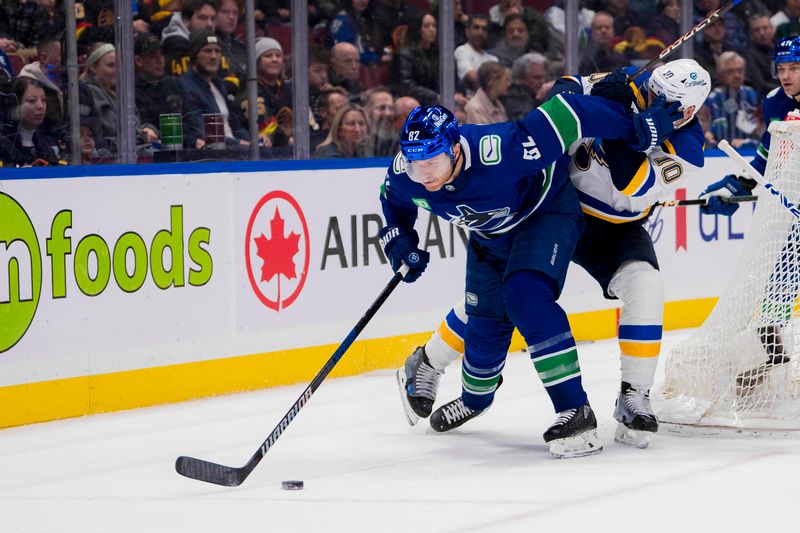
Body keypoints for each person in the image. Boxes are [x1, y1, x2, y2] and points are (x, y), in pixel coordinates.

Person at [393, 59, 709, 451]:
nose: (651, 99)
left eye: (665, 101)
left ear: (689, 111)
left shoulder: (691, 151)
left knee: (645, 283)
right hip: (548, 201)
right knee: (504, 297)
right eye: (651, 91)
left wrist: (630, 123)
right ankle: (430, 361)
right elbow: (561, 93)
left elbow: (629, 179)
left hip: (607, 226)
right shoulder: (633, 84)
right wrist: (611, 95)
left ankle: (635, 395)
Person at [700, 37, 800, 379]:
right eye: (782, 69)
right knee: (779, 272)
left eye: (795, 68)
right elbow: (768, 154)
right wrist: (742, 182)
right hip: (791, 203)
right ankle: (774, 350)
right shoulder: (774, 102)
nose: (786, 76)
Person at [705, 51, 763, 149]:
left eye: (740, 70)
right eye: (730, 71)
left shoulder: (752, 94)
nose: (736, 75)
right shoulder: (713, 98)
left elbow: (760, 128)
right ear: (720, 74)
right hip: (720, 154)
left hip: (751, 150)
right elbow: (711, 132)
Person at [0, 77, 61, 166]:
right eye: (31, 100)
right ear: (15, 105)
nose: (40, 106)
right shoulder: (3, 146)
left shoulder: (46, 148)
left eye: (43, 100)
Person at [391, 12, 440, 106]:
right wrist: (435, 96)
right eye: (426, 26)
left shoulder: (437, 53)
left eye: (434, 26)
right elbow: (406, 86)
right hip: (412, 101)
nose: (432, 29)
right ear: (417, 29)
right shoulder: (403, 54)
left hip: (433, 100)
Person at [162, 0, 217, 76]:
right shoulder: (177, 46)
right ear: (186, 21)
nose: (209, 24)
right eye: (202, 18)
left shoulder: (212, 41)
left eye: (213, 19)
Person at [454, 14, 498, 93]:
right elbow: (473, 78)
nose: (480, 32)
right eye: (476, 27)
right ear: (467, 31)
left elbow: (500, 85)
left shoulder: (493, 59)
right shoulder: (462, 51)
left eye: (484, 29)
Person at [502, 52, 550, 120]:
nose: (542, 81)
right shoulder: (513, 96)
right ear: (522, 78)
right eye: (536, 77)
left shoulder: (545, 93)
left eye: (543, 77)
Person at [362, 86, 396, 156]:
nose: (387, 113)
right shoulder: (358, 143)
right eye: (381, 108)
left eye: (391, 108)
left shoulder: (399, 142)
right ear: (366, 111)